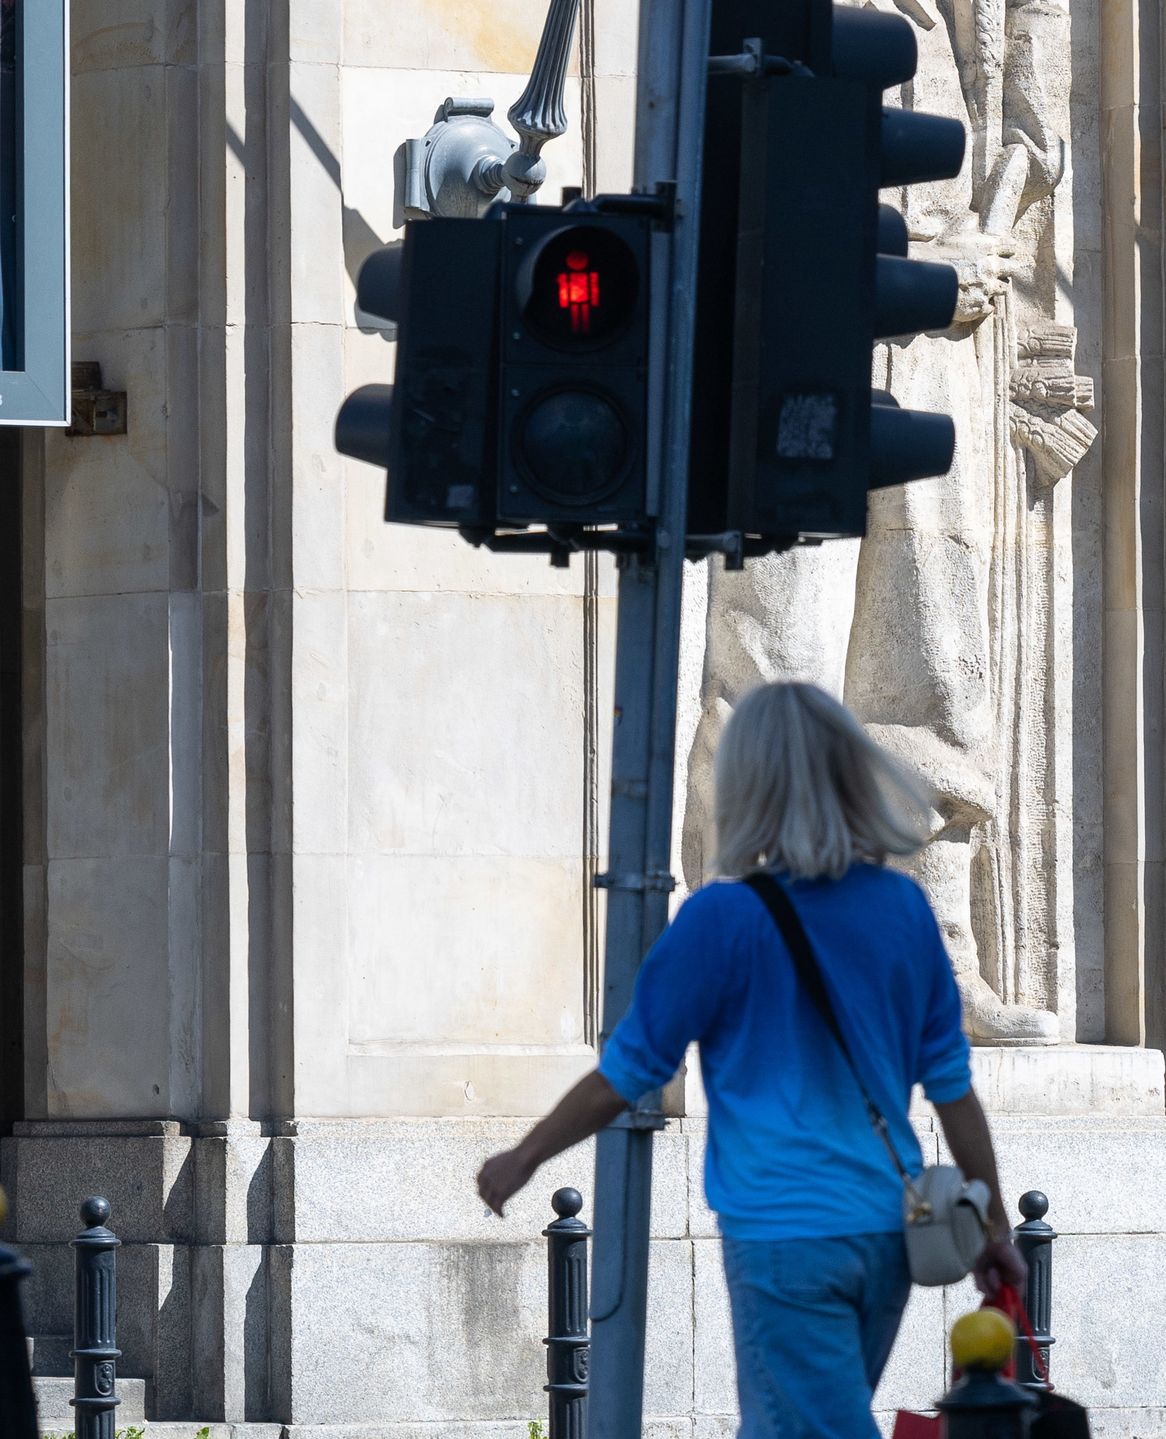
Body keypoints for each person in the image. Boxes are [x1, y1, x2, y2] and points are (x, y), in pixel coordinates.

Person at [477, 681, 1026, 1439]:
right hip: (885, 1235)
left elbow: (627, 1072)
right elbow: (954, 1092)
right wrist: (992, 1223)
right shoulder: (902, 913)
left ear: (748, 787)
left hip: (784, 1238)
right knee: (788, 1422)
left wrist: (525, 1154)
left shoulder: (721, 920)